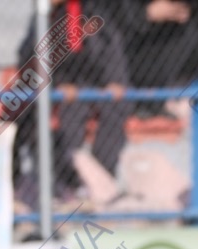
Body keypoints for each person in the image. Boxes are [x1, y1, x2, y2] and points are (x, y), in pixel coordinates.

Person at [12, 0, 130, 207]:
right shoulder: (43, 18)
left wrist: (114, 81)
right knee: (63, 117)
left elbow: (109, 50)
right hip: (51, 86)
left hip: (89, 83)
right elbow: (29, 60)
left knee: (113, 110)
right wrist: (57, 84)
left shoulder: (91, 12)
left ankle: (102, 180)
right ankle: (67, 185)